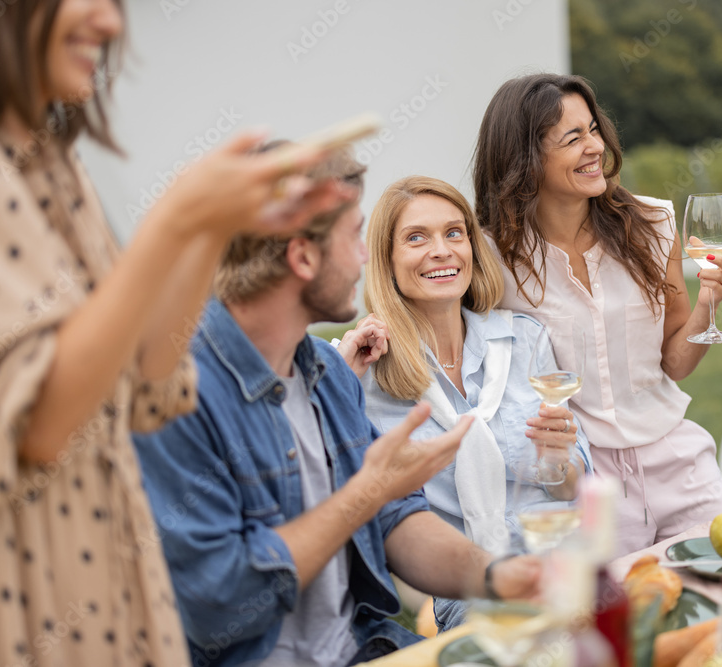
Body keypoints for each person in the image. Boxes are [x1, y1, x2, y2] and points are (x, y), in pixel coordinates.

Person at [0, 2, 351, 666]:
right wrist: (175, 217)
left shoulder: (55, 165)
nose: (110, 25)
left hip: (108, 600)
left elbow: (144, 381)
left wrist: (210, 227)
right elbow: (41, 426)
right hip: (11, 602)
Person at [133, 153, 541, 667]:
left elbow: (396, 519)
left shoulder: (326, 371)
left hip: (364, 646)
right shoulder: (176, 396)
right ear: (303, 258)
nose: (364, 260)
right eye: (354, 238)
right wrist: (364, 494)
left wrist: (499, 575)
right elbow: (220, 603)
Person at [473, 73, 722, 555]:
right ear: (524, 159)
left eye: (593, 129)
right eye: (572, 138)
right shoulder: (492, 257)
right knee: (612, 621)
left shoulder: (653, 225)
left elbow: (675, 363)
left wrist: (708, 304)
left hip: (680, 463)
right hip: (583, 484)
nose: (594, 146)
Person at [343, 176, 591, 631]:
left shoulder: (524, 340)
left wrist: (558, 461)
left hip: (567, 560)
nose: (441, 250)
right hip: (473, 592)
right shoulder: (365, 374)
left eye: (454, 233)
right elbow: (345, 500)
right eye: (416, 238)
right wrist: (342, 385)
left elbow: (573, 487)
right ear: (387, 260)